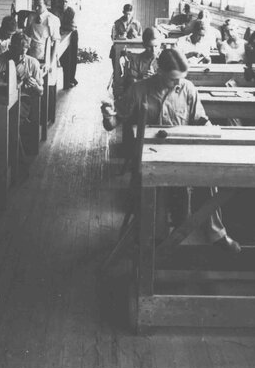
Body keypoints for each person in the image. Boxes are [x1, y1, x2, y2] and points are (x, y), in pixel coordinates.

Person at [101, 48, 241, 253]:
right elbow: (112, 123)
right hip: (150, 157)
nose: (178, 84)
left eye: (181, 79)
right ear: (159, 71)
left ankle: (216, 233)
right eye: (172, 80)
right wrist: (107, 114)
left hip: (182, 152)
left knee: (209, 178)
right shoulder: (140, 89)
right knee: (157, 189)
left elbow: (200, 120)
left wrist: (212, 132)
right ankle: (158, 241)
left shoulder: (188, 88)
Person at [115, 26, 160, 103]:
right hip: (140, 99)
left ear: (160, 44)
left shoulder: (164, 60)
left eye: (156, 46)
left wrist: (155, 79)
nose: (153, 50)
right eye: (150, 47)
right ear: (144, 45)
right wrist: (142, 80)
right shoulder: (136, 60)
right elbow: (129, 84)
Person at [56, 0, 78, 88]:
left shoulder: (71, 11)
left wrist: (61, 26)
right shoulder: (57, 11)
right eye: (62, 1)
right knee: (65, 59)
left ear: (68, 3)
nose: (64, 4)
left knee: (72, 58)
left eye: (66, 2)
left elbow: (72, 27)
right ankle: (67, 81)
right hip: (63, 35)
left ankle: (71, 79)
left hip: (72, 35)